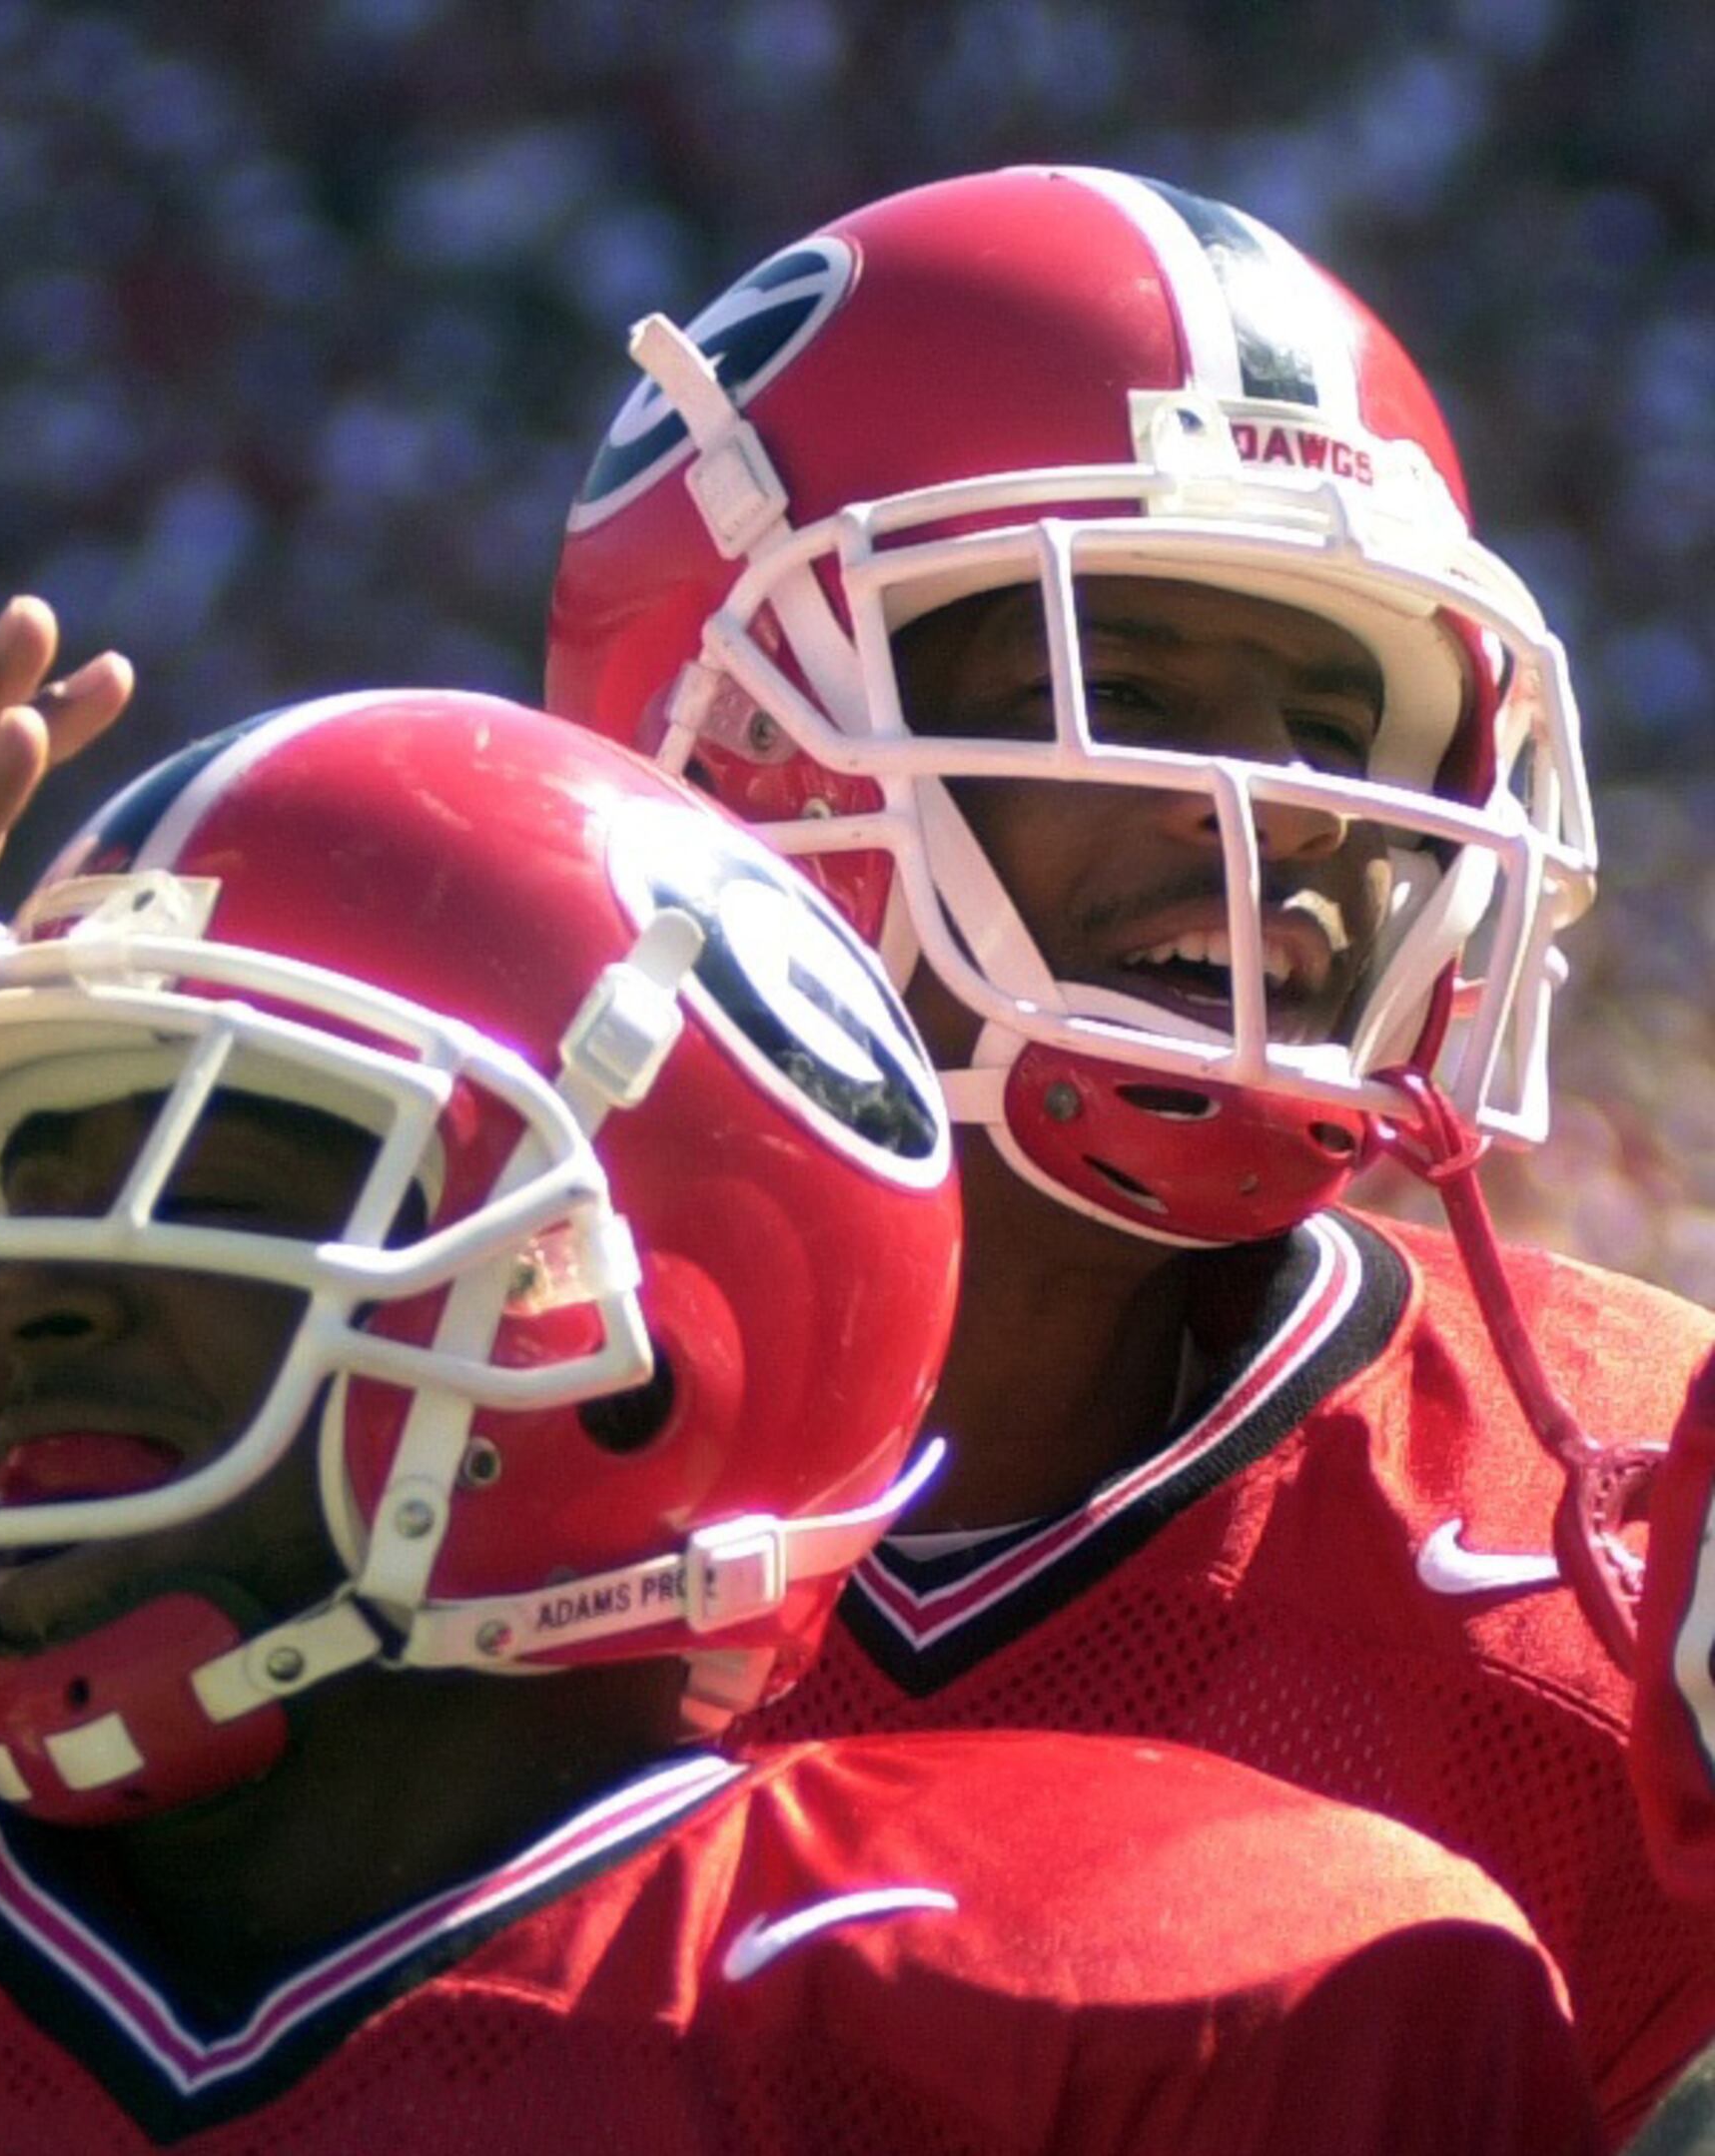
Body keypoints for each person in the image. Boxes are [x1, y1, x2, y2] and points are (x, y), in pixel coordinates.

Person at [0, 681, 1602, 2154]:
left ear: (649, 1346)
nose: (46, 1300)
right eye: (33, 1188)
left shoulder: (1156, 2014)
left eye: (220, 1188)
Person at [540, 163, 1715, 2139]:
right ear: (739, 754)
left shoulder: (1634, 1515)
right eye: (1130, 686)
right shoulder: (381, 1450)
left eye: (1341, 733)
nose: (1278, 813)